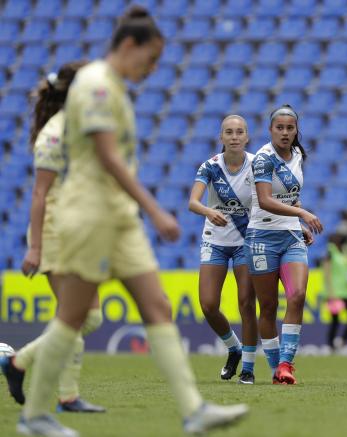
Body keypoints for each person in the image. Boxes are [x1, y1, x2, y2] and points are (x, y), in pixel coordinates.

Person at [11, 7, 248, 436]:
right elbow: (107, 156)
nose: (153, 69)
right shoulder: (98, 85)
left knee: (155, 306)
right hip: (90, 214)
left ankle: (194, 409)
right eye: (151, 59)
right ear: (128, 46)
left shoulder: (114, 87)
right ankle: (34, 417)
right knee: (75, 315)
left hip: (118, 217)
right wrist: (154, 208)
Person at [1, 62, 106, 413]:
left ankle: (20, 364)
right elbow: (39, 194)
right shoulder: (55, 134)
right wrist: (35, 247)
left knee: (85, 317)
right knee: (78, 315)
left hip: (74, 231)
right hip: (54, 232)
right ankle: (67, 396)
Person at [245, 104, 322, 385]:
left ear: (296, 130)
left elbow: (289, 197)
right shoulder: (264, 158)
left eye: (290, 128)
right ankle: (276, 367)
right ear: (270, 130)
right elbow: (265, 200)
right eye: (280, 128)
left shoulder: (299, 155)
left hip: (290, 237)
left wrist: (297, 223)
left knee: (297, 294)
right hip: (262, 238)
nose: (285, 133)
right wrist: (302, 214)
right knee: (267, 307)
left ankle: (287, 364)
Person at [188, 115, 257, 384]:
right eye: (229, 132)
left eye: (240, 132)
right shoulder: (210, 166)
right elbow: (193, 202)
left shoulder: (256, 165)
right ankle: (233, 348)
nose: (235, 136)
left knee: (246, 304)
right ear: (221, 137)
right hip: (215, 239)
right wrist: (208, 211)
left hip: (245, 241)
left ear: (247, 136)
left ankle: (249, 367)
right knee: (207, 304)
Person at [322, 233, 347, 351]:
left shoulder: (345, 250)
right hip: (335, 292)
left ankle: (342, 340)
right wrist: (330, 292)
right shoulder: (330, 251)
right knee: (335, 321)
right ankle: (331, 346)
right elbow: (326, 272)